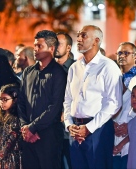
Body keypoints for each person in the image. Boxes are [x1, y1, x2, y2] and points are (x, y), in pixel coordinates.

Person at [64, 25, 122, 169]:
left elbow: (114, 103)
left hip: (98, 130)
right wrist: (69, 124)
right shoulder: (74, 67)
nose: (78, 39)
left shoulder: (108, 66)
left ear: (96, 40)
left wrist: (89, 128)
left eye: (83, 35)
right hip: (75, 130)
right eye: (78, 35)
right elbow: (67, 100)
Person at [18, 30, 67, 169]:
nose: (35, 49)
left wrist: (33, 127)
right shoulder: (28, 71)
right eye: (35, 45)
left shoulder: (59, 73)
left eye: (39, 46)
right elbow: (21, 102)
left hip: (49, 136)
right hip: (27, 135)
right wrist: (25, 127)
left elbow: (55, 107)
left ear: (51, 48)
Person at [112, 42, 136, 169]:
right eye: (120, 53)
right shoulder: (112, 76)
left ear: (135, 56)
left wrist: (129, 126)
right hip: (112, 130)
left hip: (132, 134)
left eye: (126, 53)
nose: (122, 56)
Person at [0, 84, 21, 169]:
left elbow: (9, 142)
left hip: (11, 159)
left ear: (14, 100)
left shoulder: (16, 119)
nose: (2, 102)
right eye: (0, 99)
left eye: (5, 99)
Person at [55, 32, 75, 169]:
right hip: (51, 128)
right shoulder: (48, 69)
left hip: (70, 127)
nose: (55, 47)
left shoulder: (76, 68)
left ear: (68, 48)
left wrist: (65, 112)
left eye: (59, 44)